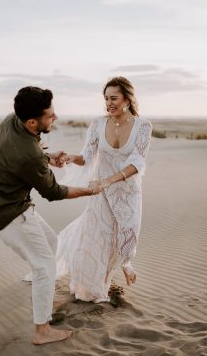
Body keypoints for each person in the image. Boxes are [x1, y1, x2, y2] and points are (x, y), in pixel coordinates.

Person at [0, 86, 101, 345]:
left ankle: (44, 300)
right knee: (45, 265)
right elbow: (54, 192)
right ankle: (41, 331)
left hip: (9, 205)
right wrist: (90, 190)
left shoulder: (13, 120)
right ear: (33, 121)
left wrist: (46, 157)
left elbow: (25, 154)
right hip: (8, 216)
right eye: (50, 115)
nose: (55, 117)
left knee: (51, 243)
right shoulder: (28, 154)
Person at [56, 76, 152, 303]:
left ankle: (125, 263)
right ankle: (95, 287)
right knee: (99, 238)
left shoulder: (143, 126)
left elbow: (138, 163)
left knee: (126, 236)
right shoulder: (98, 123)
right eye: (106, 98)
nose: (108, 103)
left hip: (127, 193)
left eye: (114, 98)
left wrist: (108, 181)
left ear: (127, 99)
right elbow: (87, 156)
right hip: (101, 193)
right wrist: (72, 158)